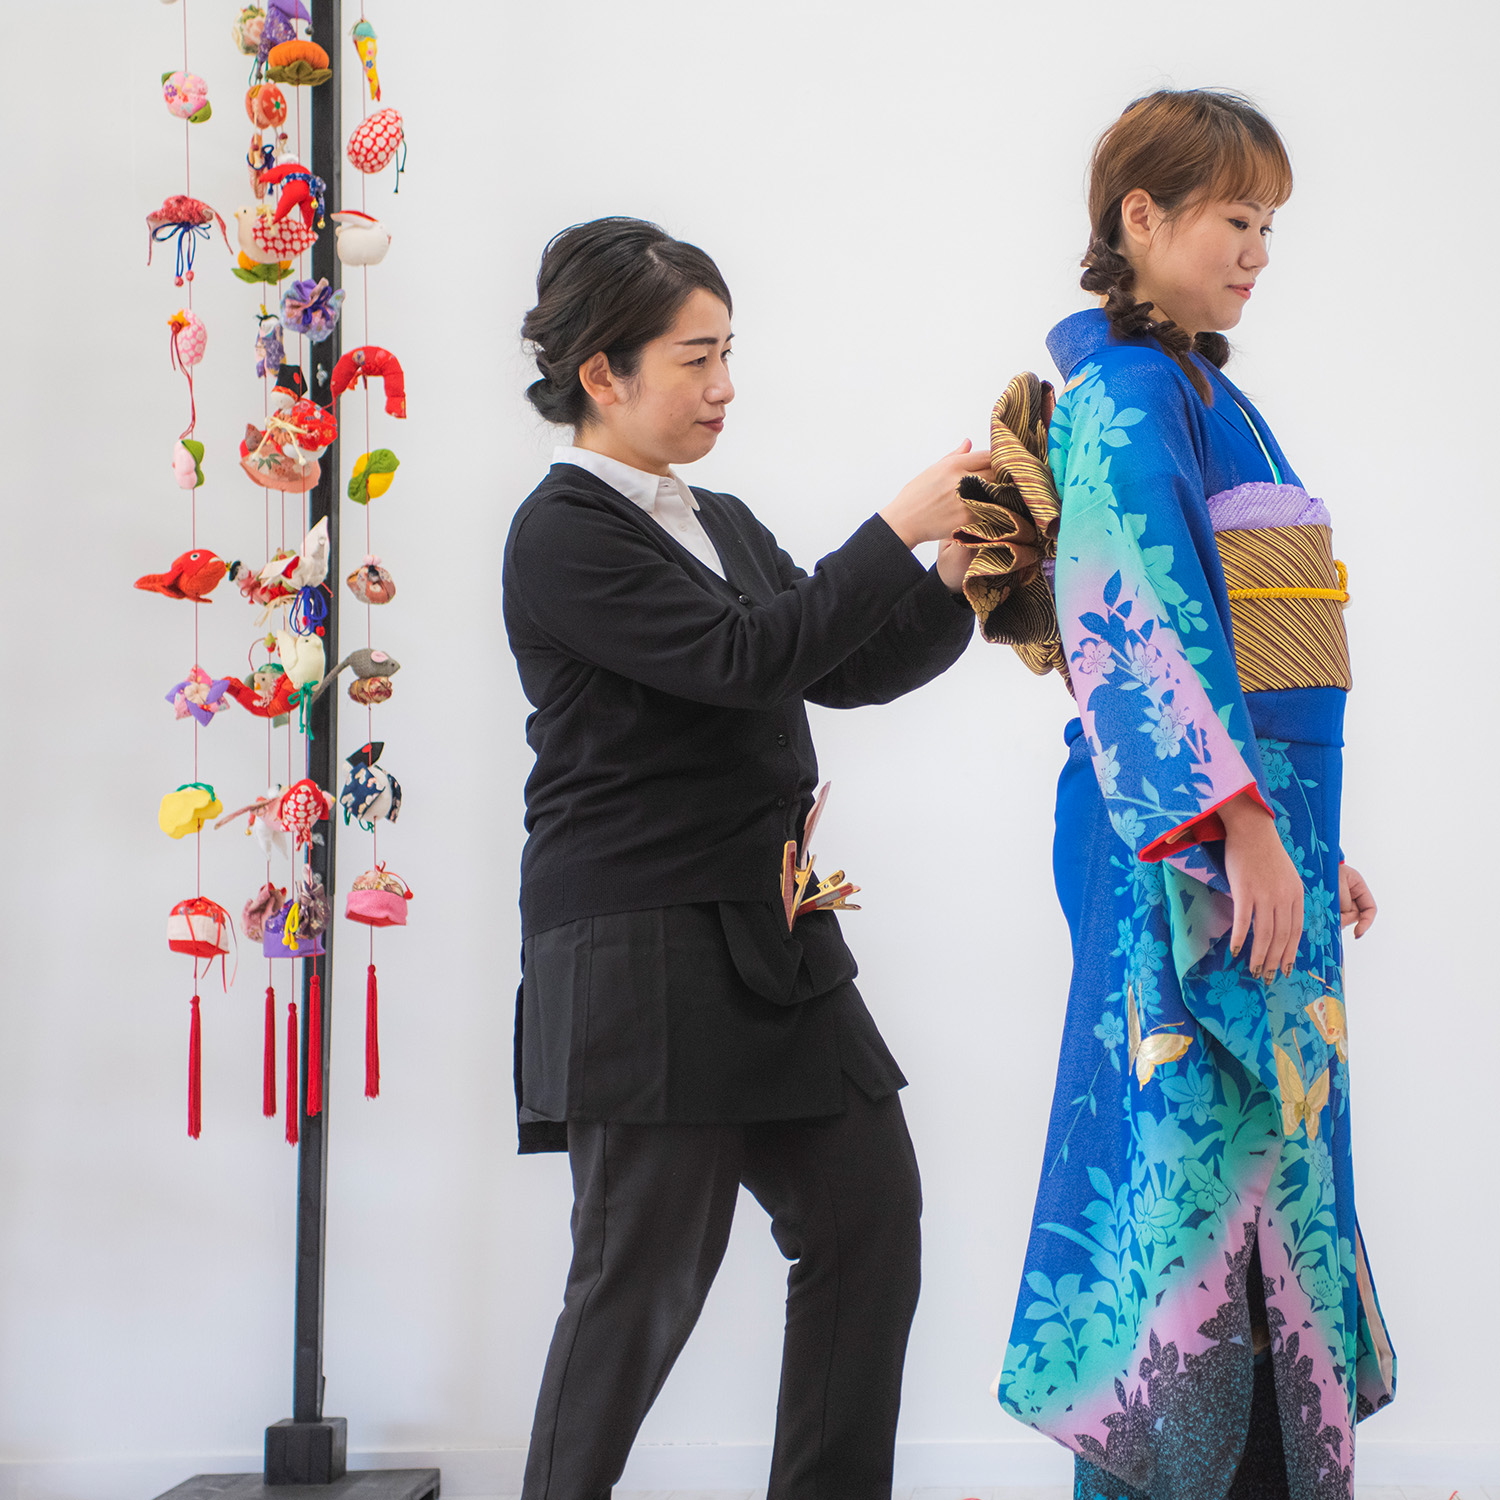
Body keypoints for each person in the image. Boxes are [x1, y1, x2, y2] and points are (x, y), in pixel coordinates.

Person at [501, 217, 985, 1500]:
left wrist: (954, 574)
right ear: (602, 373)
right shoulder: (560, 533)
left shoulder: (717, 517)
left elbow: (844, 663)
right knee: (640, 1284)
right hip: (639, 950)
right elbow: (744, 660)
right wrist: (895, 522)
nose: (725, 385)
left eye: (729, 352)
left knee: (869, 1225)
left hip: (773, 939)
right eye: (695, 357)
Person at [979, 91, 1396, 1500]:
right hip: (1175, 835)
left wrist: (1303, 843)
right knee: (1189, 1174)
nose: (1259, 251)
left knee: (1268, 1158)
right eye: (1236, 219)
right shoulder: (1127, 394)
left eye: (1270, 225)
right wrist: (1247, 825)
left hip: (1242, 830)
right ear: (1141, 217)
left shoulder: (1204, 393)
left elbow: (1260, 648)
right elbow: (1137, 617)